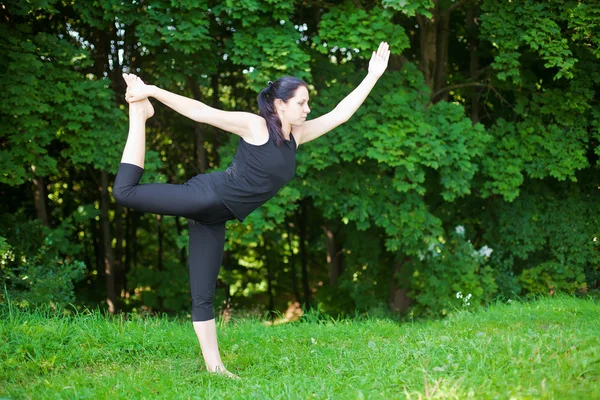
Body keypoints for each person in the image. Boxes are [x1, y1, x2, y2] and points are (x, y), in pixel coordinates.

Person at [113, 42, 390, 378]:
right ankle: (139, 114)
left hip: (217, 217)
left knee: (202, 294)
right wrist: (152, 91)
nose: (307, 108)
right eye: (301, 102)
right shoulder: (256, 127)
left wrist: (372, 76)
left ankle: (216, 370)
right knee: (124, 192)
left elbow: (340, 114)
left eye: (307, 103)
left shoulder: (296, 137)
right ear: (279, 105)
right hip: (205, 197)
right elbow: (202, 112)